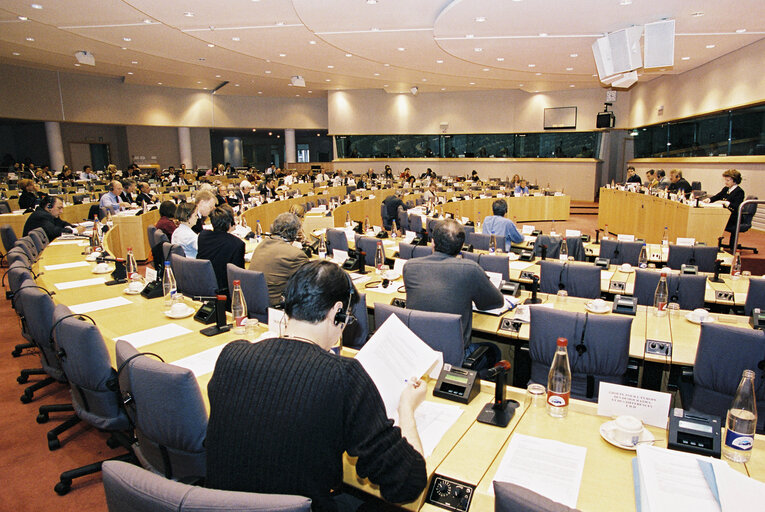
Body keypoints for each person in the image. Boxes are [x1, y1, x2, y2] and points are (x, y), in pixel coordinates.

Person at [205, 260, 427, 511]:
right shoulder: (344, 377)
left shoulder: (231, 355)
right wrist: (406, 408)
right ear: (337, 312)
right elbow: (408, 482)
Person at [403, 219, 504, 360]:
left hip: (418, 352)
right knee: (494, 351)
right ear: (462, 246)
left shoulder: (409, 267)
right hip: (454, 356)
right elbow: (495, 302)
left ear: (432, 242)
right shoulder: (470, 269)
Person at [249, 212, 310, 306]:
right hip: (277, 307)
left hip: (254, 302)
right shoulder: (296, 255)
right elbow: (309, 284)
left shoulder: (262, 245)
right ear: (296, 233)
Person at [197, 205, 245, 291]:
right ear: (230, 222)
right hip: (224, 289)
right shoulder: (237, 244)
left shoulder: (203, 236)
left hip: (203, 283)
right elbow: (238, 274)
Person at [704, 169, 746, 248]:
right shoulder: (726, 189)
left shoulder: (739, 192)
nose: (726, 182)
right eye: (725, 180)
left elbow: (736, 206)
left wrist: (726, 203)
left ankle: (713, 243)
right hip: (724, 215)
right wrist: (709, 200)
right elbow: (717, 196)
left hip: (733, 217)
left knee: (712, 221)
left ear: (735, 181)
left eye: (728, 180)